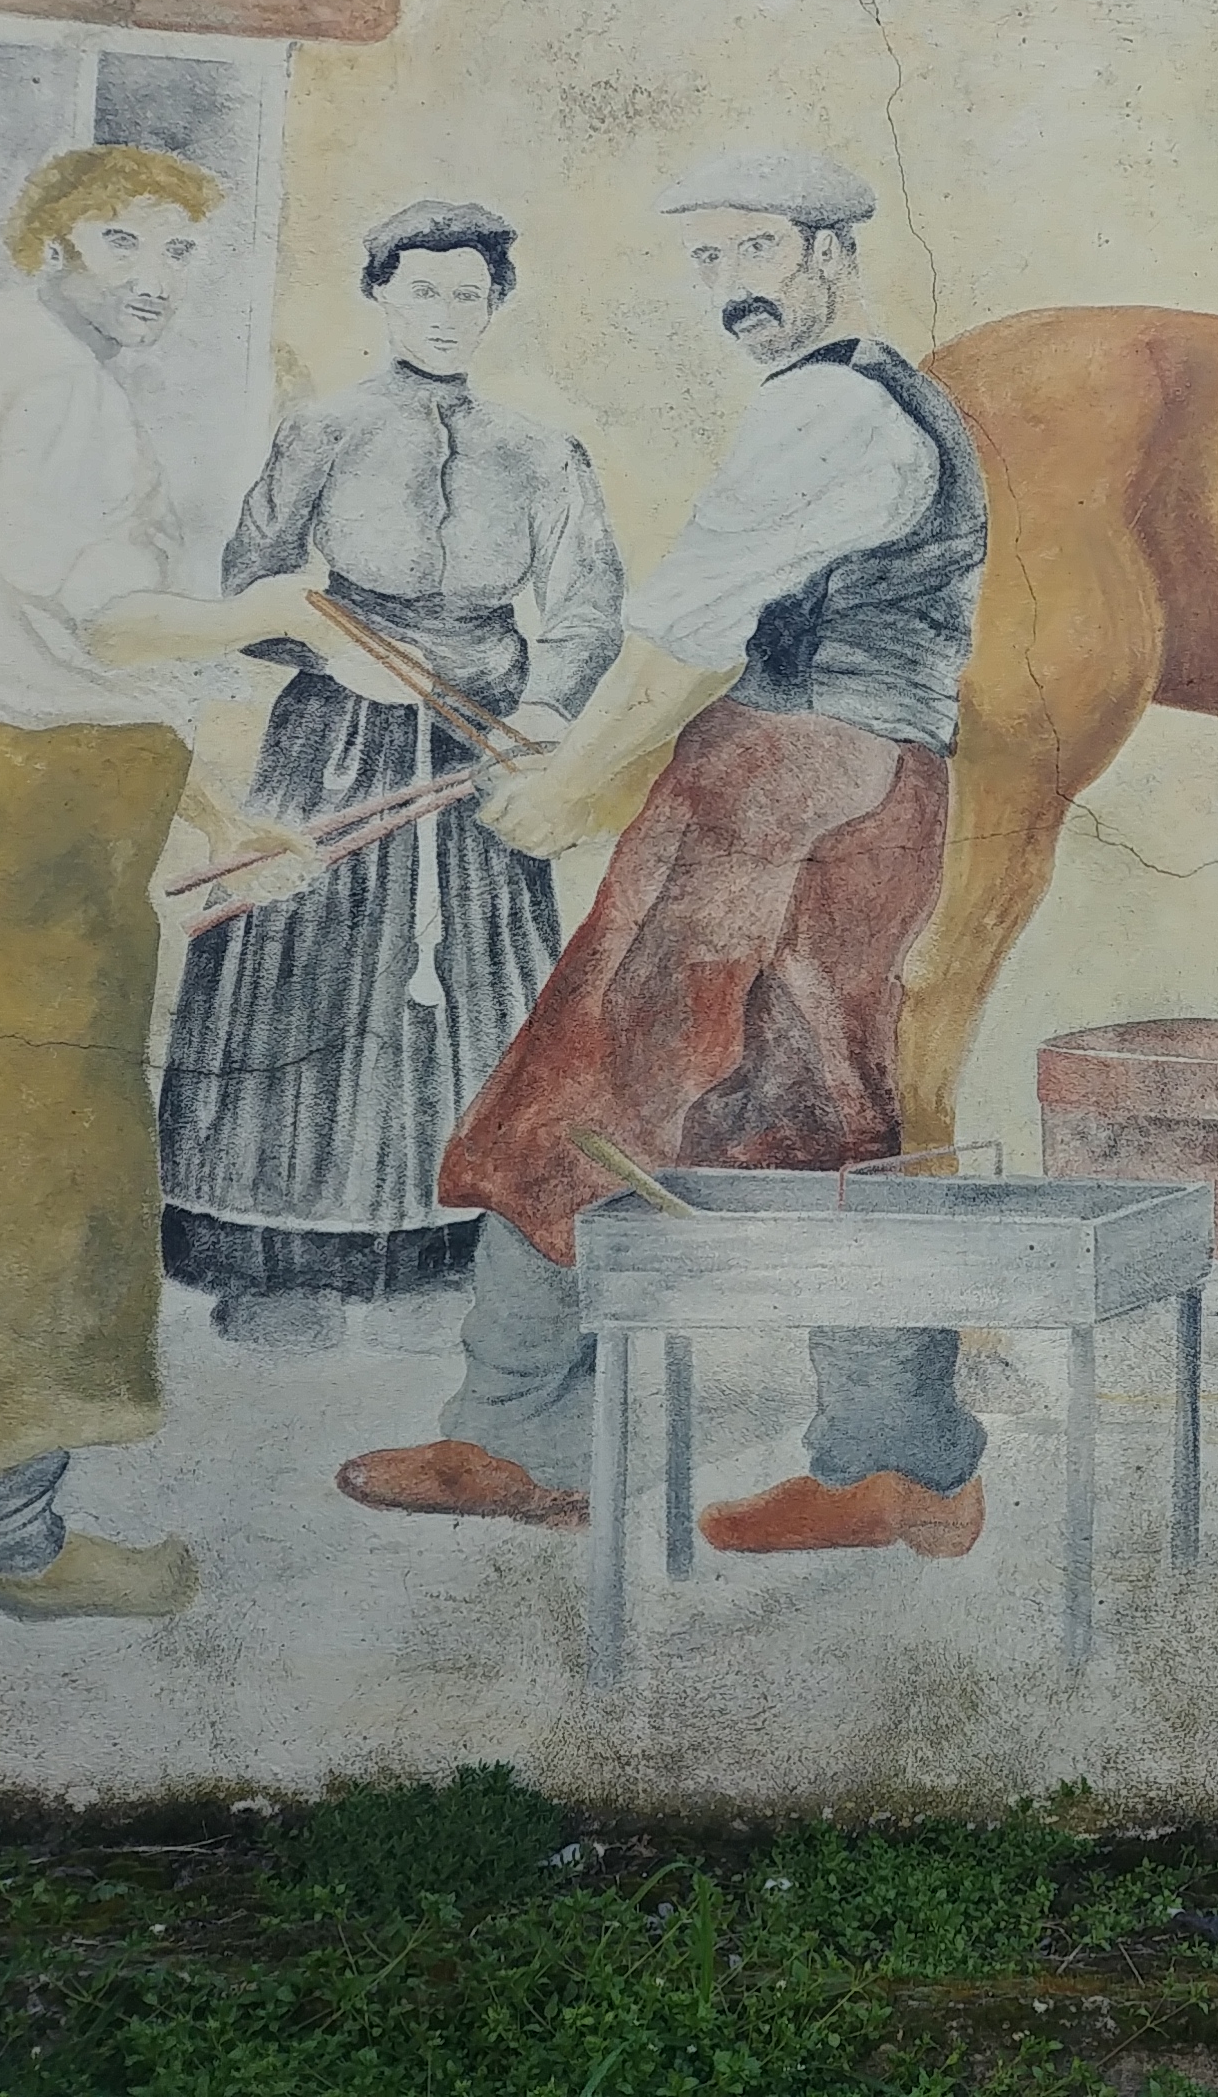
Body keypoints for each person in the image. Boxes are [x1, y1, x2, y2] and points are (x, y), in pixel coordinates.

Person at [334, 147, 990, 1554]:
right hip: (833, 787)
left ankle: (530, 1438)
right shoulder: (871, 395)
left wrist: (568, 787)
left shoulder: (830, 409)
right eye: (707, 258)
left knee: (603, 1086)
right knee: (813, 1115)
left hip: (792, 793)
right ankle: (899, 1462)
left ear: (829, 252)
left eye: (758, 250)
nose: (730, 285)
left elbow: (687, 632)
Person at [0, 147, 362, 1621]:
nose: (155, 277)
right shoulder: (51, 381)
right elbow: (103, 627)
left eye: (181, 250)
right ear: (52, 242)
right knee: (36, 1160)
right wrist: (268, 615)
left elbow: (7, 644)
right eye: (121, 241)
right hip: (31, 820)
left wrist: (210, 810)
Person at [156, 202, 626, 1352]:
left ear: (496, 304)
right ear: (380, 296)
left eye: (469, 294)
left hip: (481, 749)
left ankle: (463, 1251)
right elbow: (249, 589)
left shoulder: (542, 451)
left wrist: (540, 715)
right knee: (308, 975)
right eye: (423, 291)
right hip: (336, 741)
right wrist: (328, 651)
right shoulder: (323, 429)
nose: (446, 315)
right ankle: (282, 1256)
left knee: (475, 980)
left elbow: (585, 605)